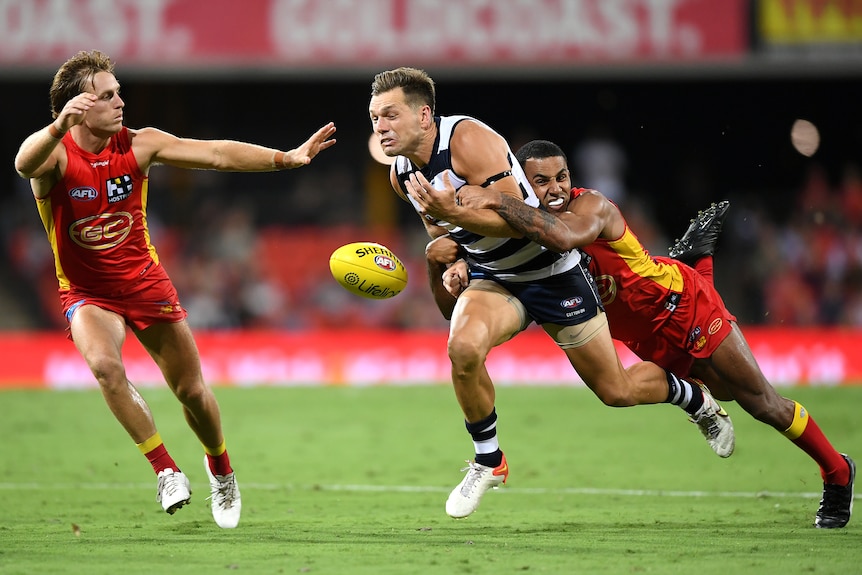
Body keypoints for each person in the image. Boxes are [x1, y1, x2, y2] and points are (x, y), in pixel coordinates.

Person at [369, 67, 733, 520]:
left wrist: (453, 212)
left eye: (389, 115)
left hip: (552, 270)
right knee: (462, 348)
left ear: (424, 116)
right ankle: (489, 460)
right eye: (374, 118)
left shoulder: (469, 140)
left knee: (616, 391)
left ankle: (693, 399)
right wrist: (459, 259)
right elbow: (443, 227)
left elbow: (516, 217)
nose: (379, 126)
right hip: (495, 277)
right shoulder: (400, 174)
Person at [442, 139, 854, 529]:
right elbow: (499, 257)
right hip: (642, 338)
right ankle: (697, 272)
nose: (555, 188)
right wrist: (460, 261)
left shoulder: (592, 207)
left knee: (762, 404)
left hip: (682, 309)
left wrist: (497, 198)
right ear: (521, 182)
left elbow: (562, 235)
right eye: (541, 181)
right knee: (722, 394)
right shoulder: (518, 230)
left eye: (561, 176)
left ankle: (837, 472)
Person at [13, 50, 337, 528]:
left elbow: (217, 153)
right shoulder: (55, 155)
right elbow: (23, 164)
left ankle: (221, 470)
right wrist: (58, 126)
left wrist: (285, 158)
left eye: (119, 91)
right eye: (107, 96)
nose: (121, 101)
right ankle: (165, 469)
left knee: (191, 392)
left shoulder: (140, 144)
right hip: (86, 293)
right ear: (78, 106)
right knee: (105, 367)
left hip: (146, 285)